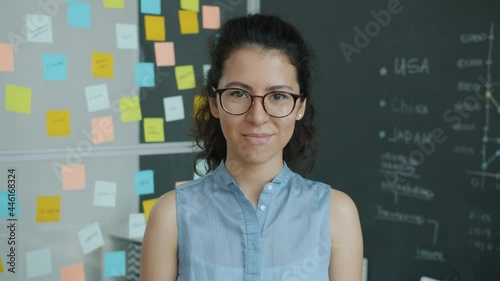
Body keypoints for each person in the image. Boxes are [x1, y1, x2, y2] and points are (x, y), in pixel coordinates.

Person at [140, 14, 363, 281]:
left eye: (278, 96)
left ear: (300, 106)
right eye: (238, 94)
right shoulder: (171, 216)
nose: (257, 117)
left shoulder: (336, 214)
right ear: (213, 102)